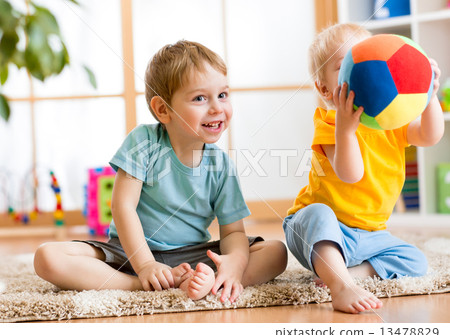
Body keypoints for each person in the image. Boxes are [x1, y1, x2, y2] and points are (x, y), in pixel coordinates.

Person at [34, 40, 287, 303]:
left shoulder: (221, 165)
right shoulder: (143, 142)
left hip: (192, 255)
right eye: (200, 98)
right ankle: (138, 285)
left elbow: (233, 232)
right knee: (47, 257)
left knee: (276, 251)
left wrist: (232, 264)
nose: (216, 108)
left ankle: (212, 279)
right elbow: (123, 207)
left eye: (222, 95)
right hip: (130, 252)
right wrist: (145, 265)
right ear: (163, 110)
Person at [283, 23, 444, 314]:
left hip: (370, 235)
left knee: (415, 261)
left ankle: (351, 273)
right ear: (325, 89)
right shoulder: (330, 124)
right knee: (318, 214)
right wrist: (346, 131)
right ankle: (340, 285)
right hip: (319, 231)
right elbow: (351, 173)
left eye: (366, 58)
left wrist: (428, 96)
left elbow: (429, 136)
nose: (361, 72)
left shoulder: (388, 119)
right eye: (345, 65)